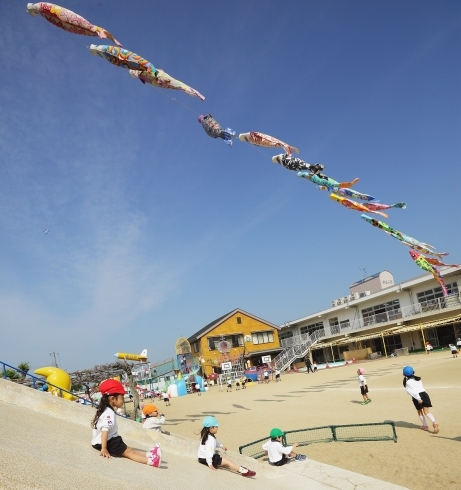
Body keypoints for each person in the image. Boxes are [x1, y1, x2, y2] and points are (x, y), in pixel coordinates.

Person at [91, 379, 161, 467]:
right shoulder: (109, 413)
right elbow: (105, 430)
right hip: (107, 442)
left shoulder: (106, 410)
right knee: (130, 453)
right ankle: (152, 461)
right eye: (122, 397)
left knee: (129, 449)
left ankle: (149, 454)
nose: (123, 400)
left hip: (109, 440)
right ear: (113, 399)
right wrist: (104, 448)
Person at [402, 366, 439, 433]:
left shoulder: (408, 382)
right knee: (426, 412)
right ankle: (434, 422)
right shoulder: (418, 379)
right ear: (413, 372)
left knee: (419, 411)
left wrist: (418, 398)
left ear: (404, 374)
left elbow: (412, 392)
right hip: (424, 394)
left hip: (417, 397)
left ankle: (425, 426)